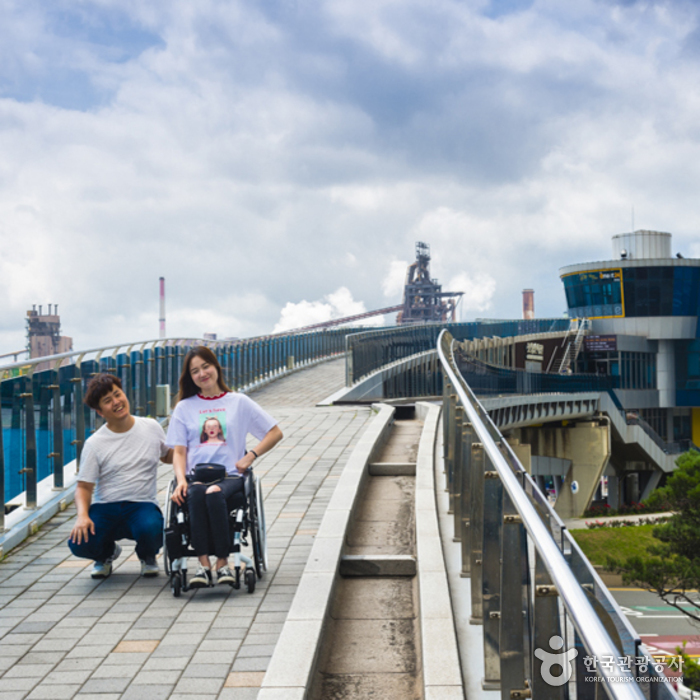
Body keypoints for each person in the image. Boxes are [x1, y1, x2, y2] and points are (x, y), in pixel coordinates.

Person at [167, 346, 283, 587]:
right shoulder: (184, 407)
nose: (202, 374)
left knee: (213, 493)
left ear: (216, 367)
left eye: (205, 366)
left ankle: (222, 563)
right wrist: (180, 481)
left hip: (230, 476)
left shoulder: (239, 402)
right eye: (195, 371)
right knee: (198, 492)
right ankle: (203, 566)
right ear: (190, 377)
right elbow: (179, 452)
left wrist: (251, 455)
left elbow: (275, 432)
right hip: (196, 477)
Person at [68, 373, 173, 579]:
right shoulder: (95, 443)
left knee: (152, 529)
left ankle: (147, 555)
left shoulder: (151, 427)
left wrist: (190, 447)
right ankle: (106, 553)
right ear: (100, 411)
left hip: (142, 504)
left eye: (118, 394)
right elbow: (83, 487)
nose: (116, 402)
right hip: (106, 506)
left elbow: (168, 456)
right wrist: (82, 516)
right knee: (79, 543)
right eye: (108, 401)